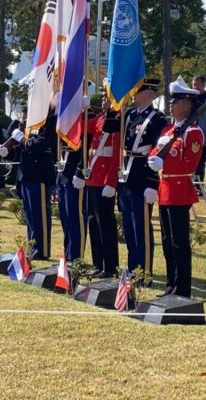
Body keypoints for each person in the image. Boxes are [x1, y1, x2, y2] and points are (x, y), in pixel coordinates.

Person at [147, 83, 204, 297]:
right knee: (167, 242)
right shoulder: (169, 130)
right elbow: (155, 150)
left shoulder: (193, 133)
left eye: (176, 101)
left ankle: (182, 289)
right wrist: (154, 159)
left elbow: (190, 164)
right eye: (171, 101)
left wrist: (165, 164)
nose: (171, 105)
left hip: (179, 189)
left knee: (179, 243)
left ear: (188, 105)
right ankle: (171, 285)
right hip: (165, 189)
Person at [118, 78, 167, 278]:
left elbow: (158, 152)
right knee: (129, 226)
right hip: (126, 173)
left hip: (142, 173)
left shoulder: (158, 119)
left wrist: (152, 183)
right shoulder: (130, 114)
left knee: (141, 226)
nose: (134, 95)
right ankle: (132, 266)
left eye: (139, 91)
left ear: (150, 94)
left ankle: (144, 270)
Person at [0, 108, 56, 260]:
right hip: (26, 174)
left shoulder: (48, 123)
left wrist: (22, 139)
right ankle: (33, 247)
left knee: (40, 216)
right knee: (30, 216)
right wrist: (8, 151)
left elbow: (37, 146)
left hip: (39, 175)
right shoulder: (29, 125)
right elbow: (22, 150)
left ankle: (42, 250)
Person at [84, 95, 121, 278]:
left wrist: (111, 181)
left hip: (105, 178)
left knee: (105, 224)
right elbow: (81, 127)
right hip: (93, 176)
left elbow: (115, 154)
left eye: (107, 96)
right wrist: (81, 109)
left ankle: (110, 265)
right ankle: (98, 262)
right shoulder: (100, 117)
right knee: (93, 221)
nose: (104, 99)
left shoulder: (116, 120)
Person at [57, 140, 85, 262]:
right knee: (65, 216)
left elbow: (85, 146)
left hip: (74, 170)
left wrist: (80, 171)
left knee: (74, 216)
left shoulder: (82, 120)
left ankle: (75, 255)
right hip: (63, 169)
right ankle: (68, 251)